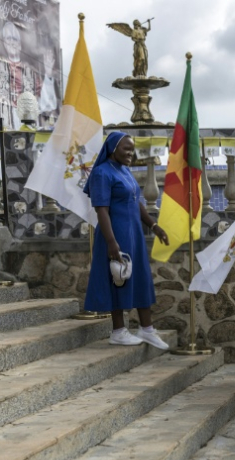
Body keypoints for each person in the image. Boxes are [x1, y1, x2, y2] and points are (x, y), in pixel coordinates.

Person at [83, 131, 170, 349]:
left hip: (135, 233)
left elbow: (136, 202)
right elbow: (101, 210)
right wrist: (111, 241)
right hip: (116, 233)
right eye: (126, 149)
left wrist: (154, 225)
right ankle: (119, 331)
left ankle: (146, 329)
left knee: (139, 276)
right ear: (113, 148)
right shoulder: (102, 173)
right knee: (119, 277)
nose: (131, 153)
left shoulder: (125, 171)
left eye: (133, 149)